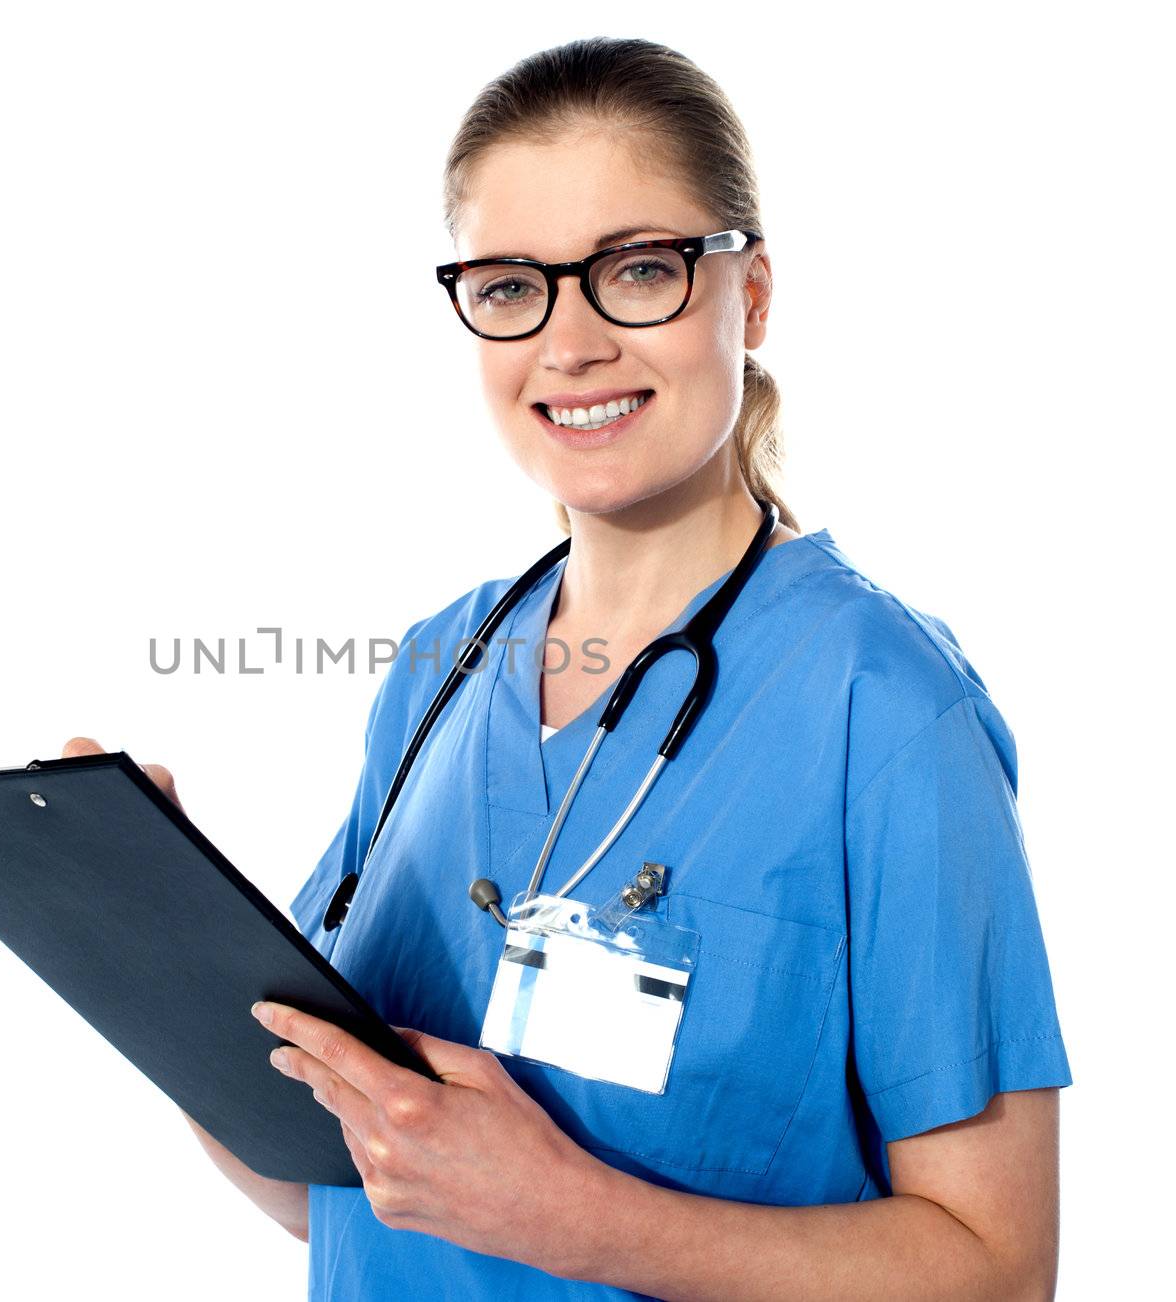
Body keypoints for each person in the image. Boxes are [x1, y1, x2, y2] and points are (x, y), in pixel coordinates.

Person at [66, 36, 1071, 1301]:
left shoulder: (884, 709)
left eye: (636, 271)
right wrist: (148, 947)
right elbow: (335, 1191)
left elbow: (995, 1270)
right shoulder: (439, 672)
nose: (571, 342)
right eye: (508, 286)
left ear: (749, 295)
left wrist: (573, 1215)